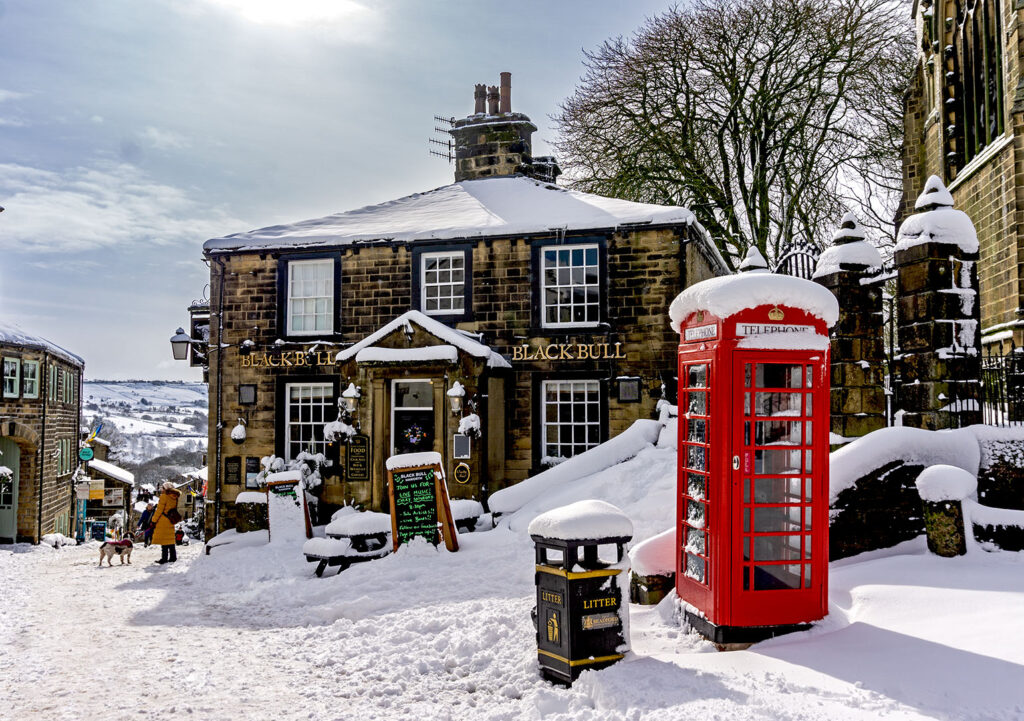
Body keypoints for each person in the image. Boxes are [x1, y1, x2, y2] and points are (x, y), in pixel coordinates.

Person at [151, 482, 181, 564]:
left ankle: (164, 558)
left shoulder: (164, 497)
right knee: (170, 539)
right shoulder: (175, 497)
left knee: (164, 540)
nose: (161, 490)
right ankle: (173, 557)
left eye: (163, 488)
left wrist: (153, 520)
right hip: (171, 520)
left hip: (163, 520)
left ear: (166, 489)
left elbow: (159, 510)